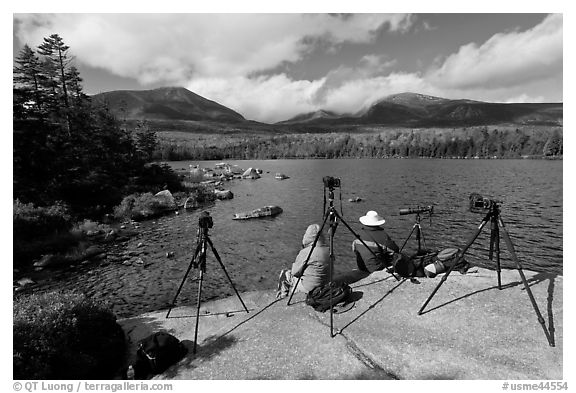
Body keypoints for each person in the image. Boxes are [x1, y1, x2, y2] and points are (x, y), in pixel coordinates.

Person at [276, 224, 330, 298]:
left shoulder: (307, 251)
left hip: (310, 288)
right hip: (325, 284)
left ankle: (282, 296)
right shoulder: (328, 249)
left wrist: (301, 251)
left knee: (284, 274)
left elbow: (295, 272)